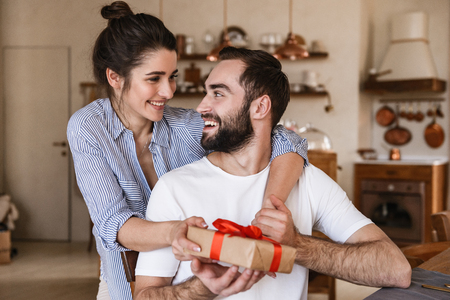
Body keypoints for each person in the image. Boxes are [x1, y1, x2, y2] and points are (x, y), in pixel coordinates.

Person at [66, 2, 309, 299]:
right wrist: (175, 232)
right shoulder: (88, 128)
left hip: (193, 279)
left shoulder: (186, 124)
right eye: (154, 79)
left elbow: (285, 139)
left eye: (172, 76)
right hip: (124, 283)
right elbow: (112, 224)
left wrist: (268, 210)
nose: (168, 92)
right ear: (115, 78)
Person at [133, 47, 412, 299]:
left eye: (218, 93)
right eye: (207, 92)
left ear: (260, 107)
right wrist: (202, 288)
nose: (202, 106)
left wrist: (296, 245)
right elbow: (144, 296)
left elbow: (396, 270)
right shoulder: (175, 187)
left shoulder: (308, 181)